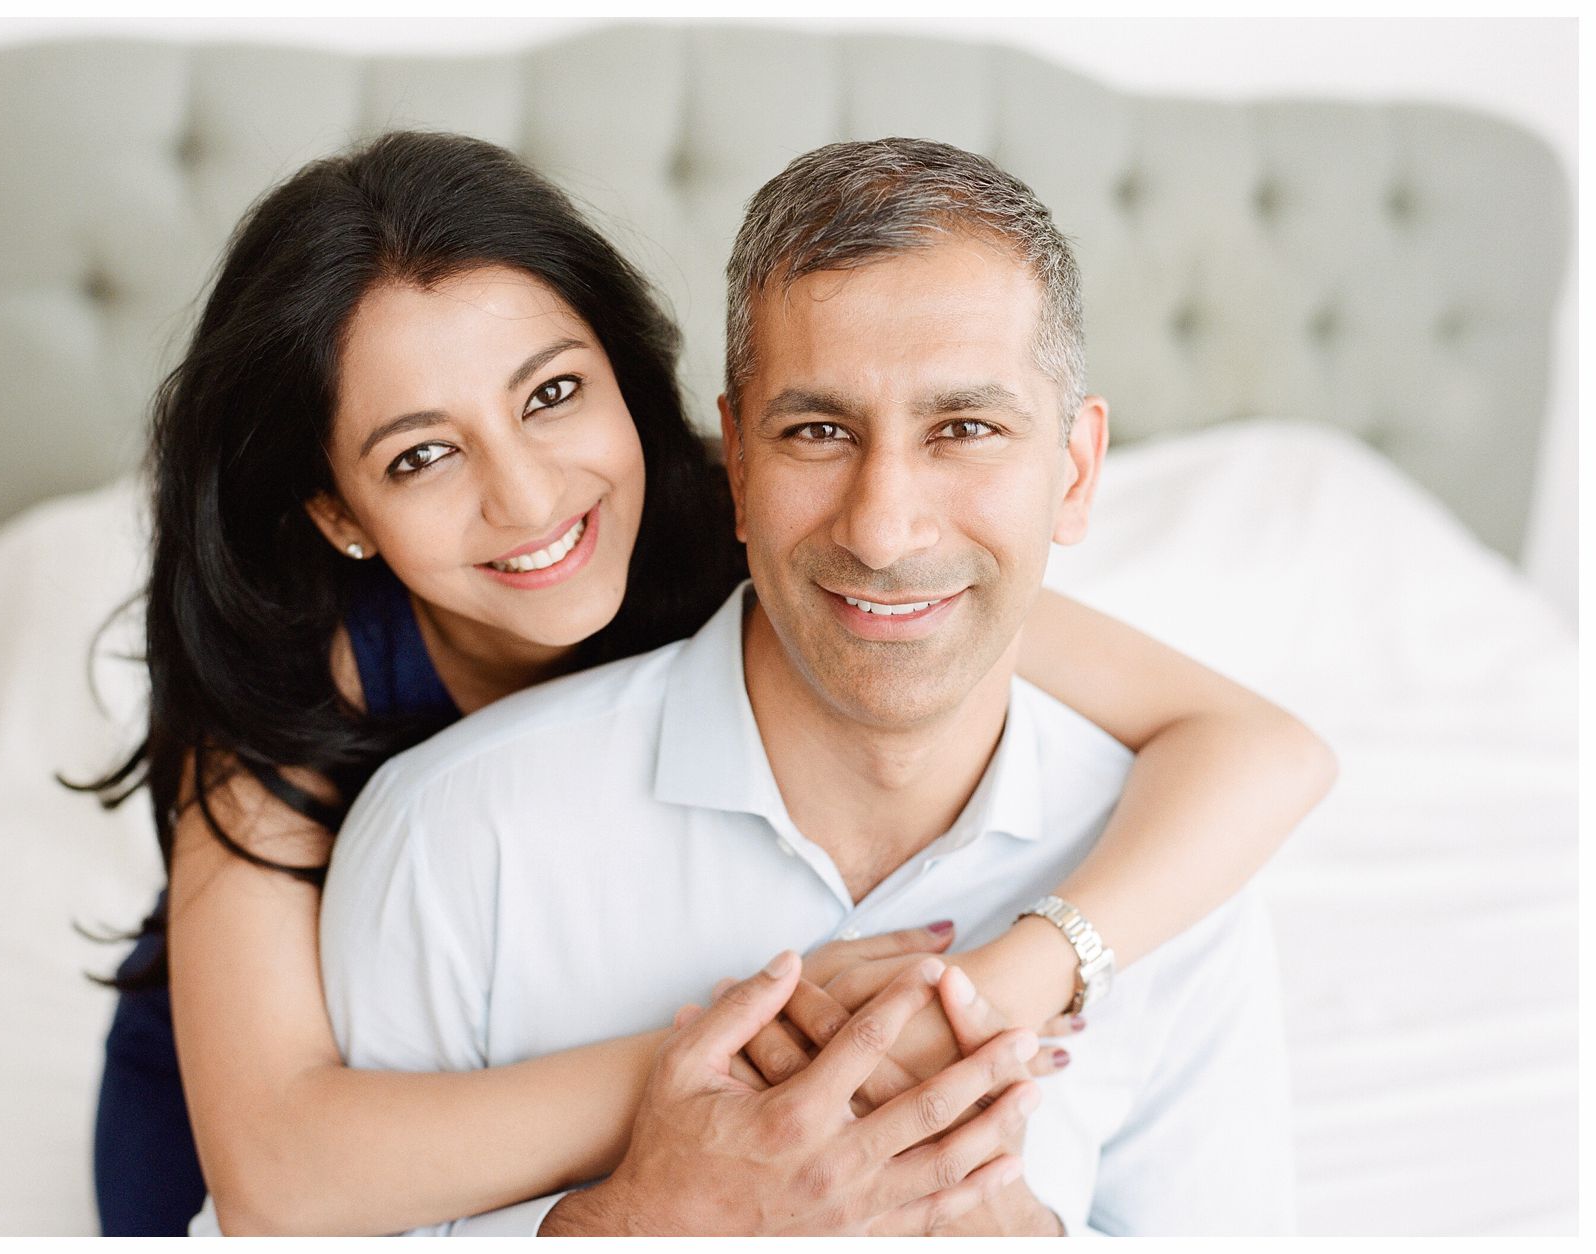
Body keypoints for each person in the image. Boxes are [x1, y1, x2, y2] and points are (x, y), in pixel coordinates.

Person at [86, 131, 1333, 1236]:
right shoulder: (295, 686)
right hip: (243, 1097)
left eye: (553, 395)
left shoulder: (823, 545)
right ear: (340, 512)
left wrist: (996, 987)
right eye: (419, 454)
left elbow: (1253, 745)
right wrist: (777, 1079)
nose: (528, 498)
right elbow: (275, 1179)